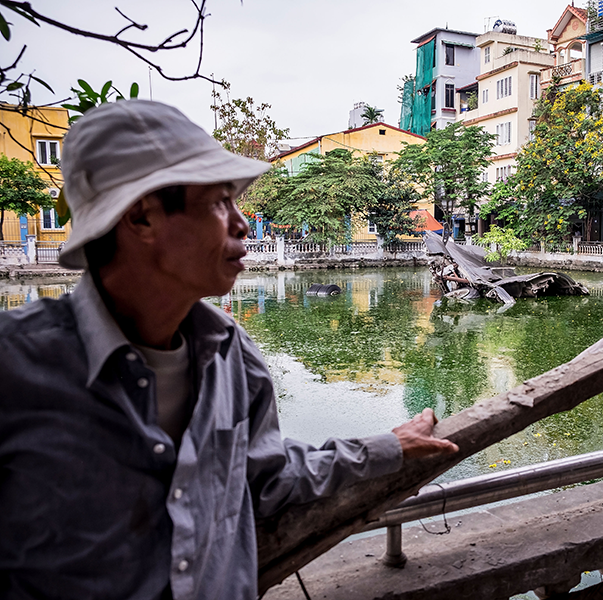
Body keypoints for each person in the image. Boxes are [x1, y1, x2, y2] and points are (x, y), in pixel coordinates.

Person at [0, 100, 458, 600]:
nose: (242, 225)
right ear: (142, 216)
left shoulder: (231, 356)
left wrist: (387, 448)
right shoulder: (16, 367)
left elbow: (267, 477)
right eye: (220, 202)